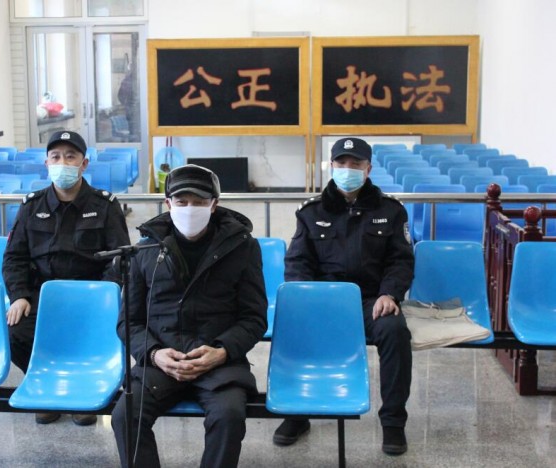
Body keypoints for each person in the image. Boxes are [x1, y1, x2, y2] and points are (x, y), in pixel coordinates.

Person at [111, 164, 268, 468]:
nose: (189, 209)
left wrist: (222, 351)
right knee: (126, 415)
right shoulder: (144, 251)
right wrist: (154, 354)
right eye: (181, 202)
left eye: (199, 202)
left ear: (214, 204)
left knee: (229, 415)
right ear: (168, 204)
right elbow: (128, 321)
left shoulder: (243, 248)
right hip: (162, 359)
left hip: (219, 361)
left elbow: (254, 318)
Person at [272, 137, 414, 455]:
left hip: (371, 301)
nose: (347, 168)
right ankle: (296, 413)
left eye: (355, 163)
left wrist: (390, 294)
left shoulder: (391, 210)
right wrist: (306, 299)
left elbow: (400, 260)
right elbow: (298, 262)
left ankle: (393, 422)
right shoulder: (311, 212)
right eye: (341, 163)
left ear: (368, 169)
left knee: (395, 331)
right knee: (294, 326)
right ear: (332, 165)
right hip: (323, 301)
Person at [3, 130, 130, 426]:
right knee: (14, 332)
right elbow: (14, 257)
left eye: (70, 156)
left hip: (90, 296)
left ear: (84, 164)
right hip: (43, 297)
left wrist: (102, 296)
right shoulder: (32, 205)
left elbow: (120, 258)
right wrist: (19, 295)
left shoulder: (105, 205)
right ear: (47, 163)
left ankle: (81, 388)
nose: (63, 163)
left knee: (97, 333)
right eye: (56, 157)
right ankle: (45, 382)